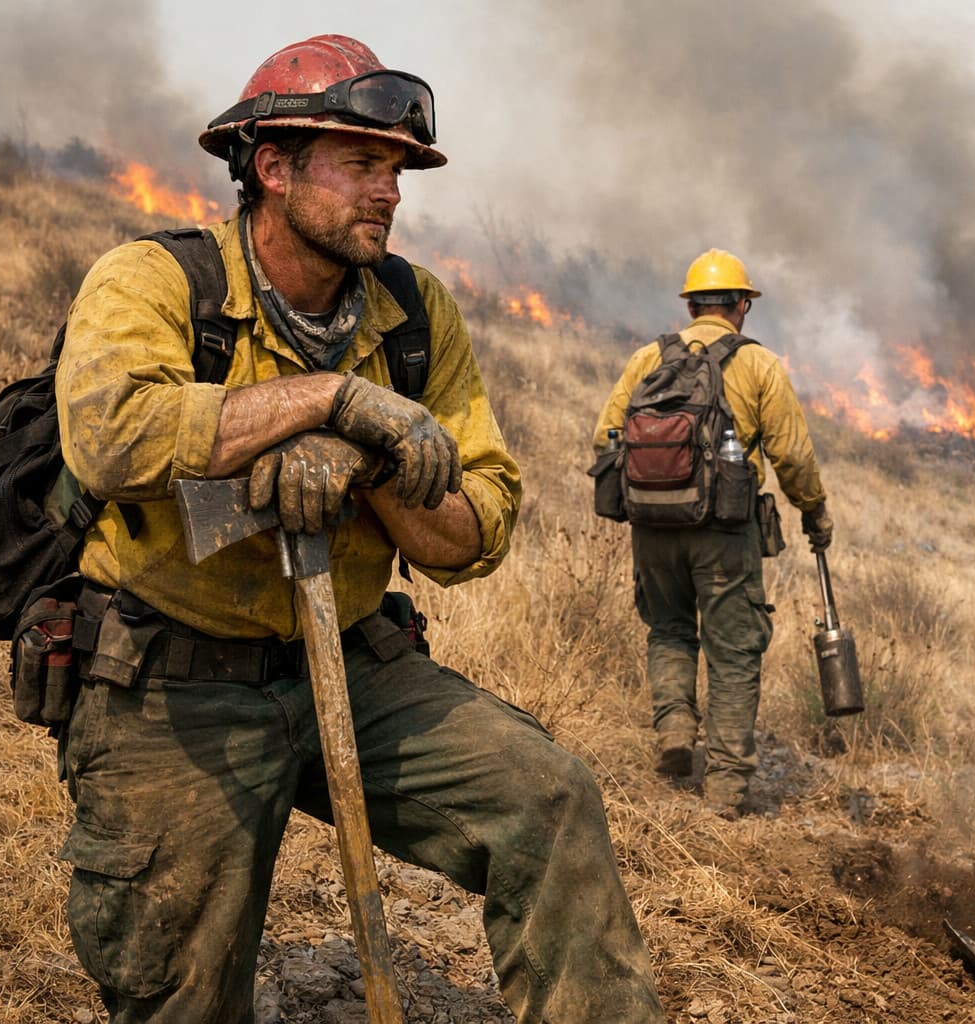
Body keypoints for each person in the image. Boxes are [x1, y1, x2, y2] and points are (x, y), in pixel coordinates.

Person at [53, 34, 663, 1024]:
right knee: (183, 998)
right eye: (361, 164)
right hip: (175, 682)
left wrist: (373, 471)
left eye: (395, 170)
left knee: (546, 797)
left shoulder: (415, 317)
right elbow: (110, 437)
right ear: (273, 166)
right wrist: (327, 399)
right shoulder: (157, 282)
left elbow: (478, 529)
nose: (388, 192)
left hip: (352, 660)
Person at [592, 250, 831, 817]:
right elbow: (792, 456)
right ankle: (724, 788)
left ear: (691, 303)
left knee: (669, 629)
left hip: (652, 528)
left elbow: (603, 437)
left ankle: (675, 730)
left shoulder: (648, 357)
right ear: (742, 306)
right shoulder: (758, 365)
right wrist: (814, 511)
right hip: (724, 530)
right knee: (734, 650)